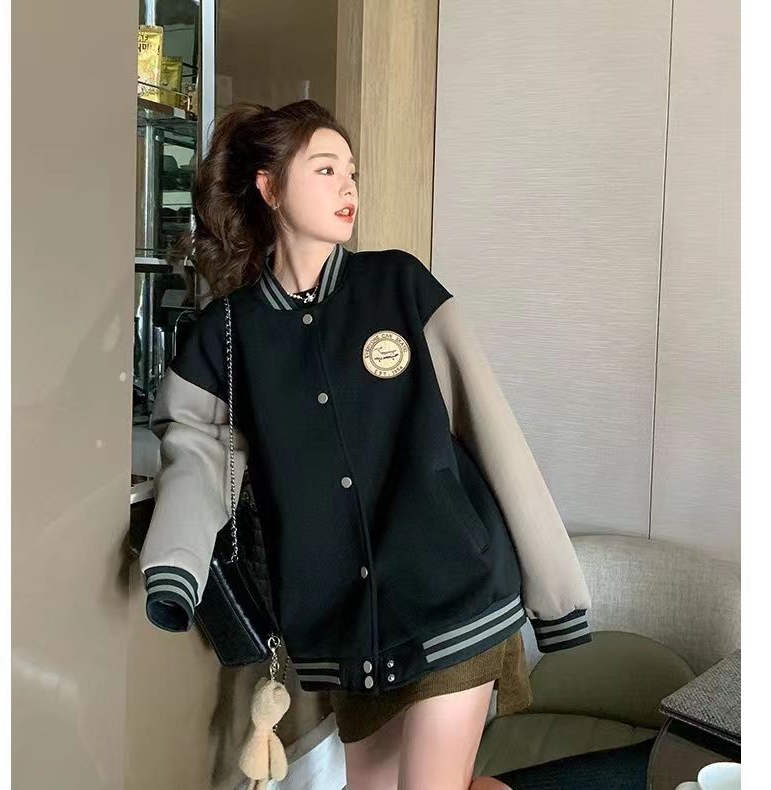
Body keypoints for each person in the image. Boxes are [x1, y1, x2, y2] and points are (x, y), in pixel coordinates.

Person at [138, 99, 593, 790]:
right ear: (269, 187)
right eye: (326, 169)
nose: (348, 186)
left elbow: (491, 428)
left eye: (351, 171)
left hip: (454, 598)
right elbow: (195, 454)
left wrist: (556, 595)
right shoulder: (227, 333)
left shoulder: (400, 285)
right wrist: (173, 568)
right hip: (346, 635)